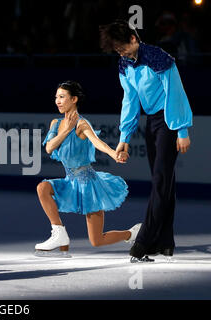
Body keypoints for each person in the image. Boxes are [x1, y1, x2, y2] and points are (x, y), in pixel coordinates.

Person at [99, 20, 193, 262]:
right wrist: (125, 137)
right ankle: (166, 242)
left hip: (169, 120)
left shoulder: (157, 57)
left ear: (133, 38)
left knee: (161, 180)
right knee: (164, 182)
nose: (121, 53)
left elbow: (176, 92)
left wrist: (181, 130)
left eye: (122, 47)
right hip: (152, 122)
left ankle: (144, 241)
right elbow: (129, 100)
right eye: (117, 51)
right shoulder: (125, 63)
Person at [35, 81, 141, 257]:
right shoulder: (56, 123)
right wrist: (65, 130)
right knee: (43, 188)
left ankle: (133, 234)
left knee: (96, 240)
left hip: (88, 186)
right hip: (70, 181)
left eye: (62, 97)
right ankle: (59, 233)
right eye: (56, 97)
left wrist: (115, 154)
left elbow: (98, 143)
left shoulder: (82, 124)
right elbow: (48, 148)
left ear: (74, 99)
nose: (58, 101)